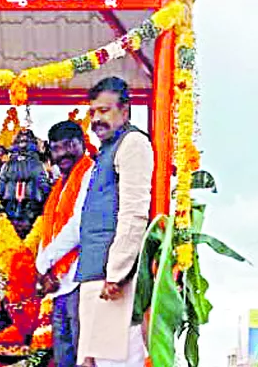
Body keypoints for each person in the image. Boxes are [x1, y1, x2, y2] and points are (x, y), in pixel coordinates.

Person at [76, 77, 153, 367]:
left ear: (125, 111)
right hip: (96, 274)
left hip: (115, 281)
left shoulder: (133, 143)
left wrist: (117, 272)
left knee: (115, 361)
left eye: (104, 111)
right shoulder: (106, 151)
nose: (96, 119)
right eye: (93, 112)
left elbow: (134, 212)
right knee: (93, 360)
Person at [34, 121, 94, 367]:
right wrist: (43, 267)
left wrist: (44, 260)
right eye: (57, 148)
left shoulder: (91, 173)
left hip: (81, 281)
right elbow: (50, 227)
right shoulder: (59, 185)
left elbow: (79, 225)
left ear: (82, 143)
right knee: (63, 359)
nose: (63, 153)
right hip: (60, 285)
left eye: (70, 145)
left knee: (84, 357)